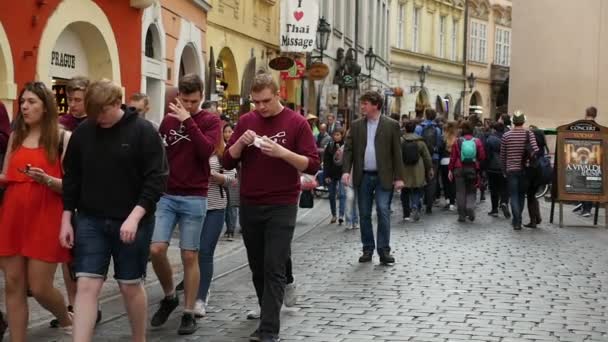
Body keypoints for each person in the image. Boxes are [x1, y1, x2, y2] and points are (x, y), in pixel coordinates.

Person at [59, 79, 167, 342]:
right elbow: (72, 178)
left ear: (117, 104)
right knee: (85, 284)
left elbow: (156, 180)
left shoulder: (143, 132)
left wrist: (135, 216)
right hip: (90, 219)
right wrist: (66, 219)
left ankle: (138, 338)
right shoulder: (85, 131)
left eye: (103, 113)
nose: (99, 120)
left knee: (129, 285)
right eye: (93, 114)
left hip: (132, 221)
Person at [223, 73, 320, 342]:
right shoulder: (246, 121)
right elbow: (227, 162)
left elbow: (312, 165)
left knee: (273, 264)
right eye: (255, 102)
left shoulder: (296, 123)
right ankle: (268, 311)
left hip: (283, 202)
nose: (261, 107)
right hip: (251, 201)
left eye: (266, 101)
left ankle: (268, 330)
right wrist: (240, 143)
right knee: (257, 266)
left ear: (278, 95)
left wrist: (282, 153)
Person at [0, 82, 74, 340]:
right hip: (12, 214)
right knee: (13, 284)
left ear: (45, 107)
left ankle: (65, 316)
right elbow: (5, 175)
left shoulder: (63, 138)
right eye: (23, 102)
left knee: (40, 287)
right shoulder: (16, 136)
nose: (24, 107)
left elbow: (74, 187)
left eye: (31, 102)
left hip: (46, 215)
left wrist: (48, 180)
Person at [150, 74, 221, 335]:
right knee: (156, 249)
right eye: (184, 100)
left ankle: (189, 312)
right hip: (167, 195)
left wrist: (189, 121)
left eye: (193, 101)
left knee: (190, 255)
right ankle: (170, 296)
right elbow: (159, 155)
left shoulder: (210, 120)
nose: (188, 105)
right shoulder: (167, 121)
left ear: (201, 96)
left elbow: (206, 151)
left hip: (194, 196)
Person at [342, 91, 405, 264]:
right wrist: (346, 171)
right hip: (363, 176)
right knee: (363, 214)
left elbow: (397, 153)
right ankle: (367, 249)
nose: (362, 106)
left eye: (365, 103)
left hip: (383, 176)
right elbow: (348, 150)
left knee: (383, 210)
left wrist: (399, 177)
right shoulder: (356, 126)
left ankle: (384, 250)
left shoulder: (391, 125)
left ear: (376, 105)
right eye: (362, 103)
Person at [194, 138, 236, 317]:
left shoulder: (221, 151)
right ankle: (192, 286)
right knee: (190, 252)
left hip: (215, 208)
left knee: (205, 252)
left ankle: (201, 297)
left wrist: (213, 175)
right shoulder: (191, 144)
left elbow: (231, 179)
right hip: (192, 207)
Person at [500, 111, 539, 230]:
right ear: (523, 121)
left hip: (511, 169)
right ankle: (518, 219)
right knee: (521, 195)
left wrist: (503, 170)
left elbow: (502, 155)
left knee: (514, 195)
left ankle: (516, 221)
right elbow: (535, 150)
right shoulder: (529, 134)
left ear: (513, 122)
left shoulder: (506, 135)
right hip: (525, 169)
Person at [448, 121, 486, 222]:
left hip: (458, 168)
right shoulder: (477, 141)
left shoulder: (457, 141)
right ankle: (469, 207)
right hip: (472, 168)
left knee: (460, 192)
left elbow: (453, 157)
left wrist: (450, 170)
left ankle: (461, 215)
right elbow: (482, 156)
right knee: (471, 191)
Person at [400, 120, 433, 222]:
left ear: (405, 128)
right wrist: (430, 168)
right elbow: (427, 157)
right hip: (418, 169)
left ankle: (406, 214)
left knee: (404, 191)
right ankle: (415, 205)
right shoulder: (420, 142)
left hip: (404, 168)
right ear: (415, 129)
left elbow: (396, 155)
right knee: (417, 189)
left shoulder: (401, 140)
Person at [415, 108, 443, 214]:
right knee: (432, 181)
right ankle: (429, 206)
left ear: (425, 115)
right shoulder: (438, 129)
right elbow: (439, 144)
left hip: (421, 158)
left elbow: (416, 142)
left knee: (420, 179)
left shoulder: (419, 128)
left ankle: (417, 203)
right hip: (434, 157)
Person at [485, 122, 511, 219]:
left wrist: (486, 166)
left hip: (492, 167)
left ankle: (494, 209)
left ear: (494, 129)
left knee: (493, 189)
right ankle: (504, 202)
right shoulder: (507, 138)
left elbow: (487, 154)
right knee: (505, 187)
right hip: (505, 166)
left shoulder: (490, 139)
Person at [575, 107, 598, 217]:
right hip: (594, 159)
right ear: (595, 115)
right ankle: (585, 206)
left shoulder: (580, 126)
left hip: (581, 157)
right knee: (590, 184)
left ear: (586, 113)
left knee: (582, 183)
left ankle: (585, 207)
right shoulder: (598, 128)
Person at [525, 125, 548, 228]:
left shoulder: (532, 147)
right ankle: (537, 217)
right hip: (541, 173)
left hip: (532, 172)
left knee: (530, 196)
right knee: (533, 195)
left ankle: (533, 220)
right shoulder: (543, 148)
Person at [324, 128, 346, 224]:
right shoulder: (330, 145)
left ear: (342, 135)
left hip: (342, 173)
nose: (336, 136)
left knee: (342, 194)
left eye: (338, 134)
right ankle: (334, 215)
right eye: (334, 135)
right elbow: (326, 161)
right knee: (332, 195)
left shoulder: (346, 145)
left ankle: (341, 215)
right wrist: (326, 175)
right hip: (332, 173)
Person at [222, 123, 240, 240]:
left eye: (230, 131)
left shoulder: (236, 145)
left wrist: (238, 178)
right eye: (225, 131)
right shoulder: (220, 145)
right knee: (223, 206)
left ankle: (231, 230)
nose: (228, 134)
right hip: (221, 178)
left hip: (233, 179)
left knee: (232, 206)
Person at [440, 121, 457, 211]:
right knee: (452, 183)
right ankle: (452, 203)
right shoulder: (456, 139)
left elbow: (440, 149)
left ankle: (447, 200)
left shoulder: (443, 138)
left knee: (445, 182)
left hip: (444, 161)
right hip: (453, 162)